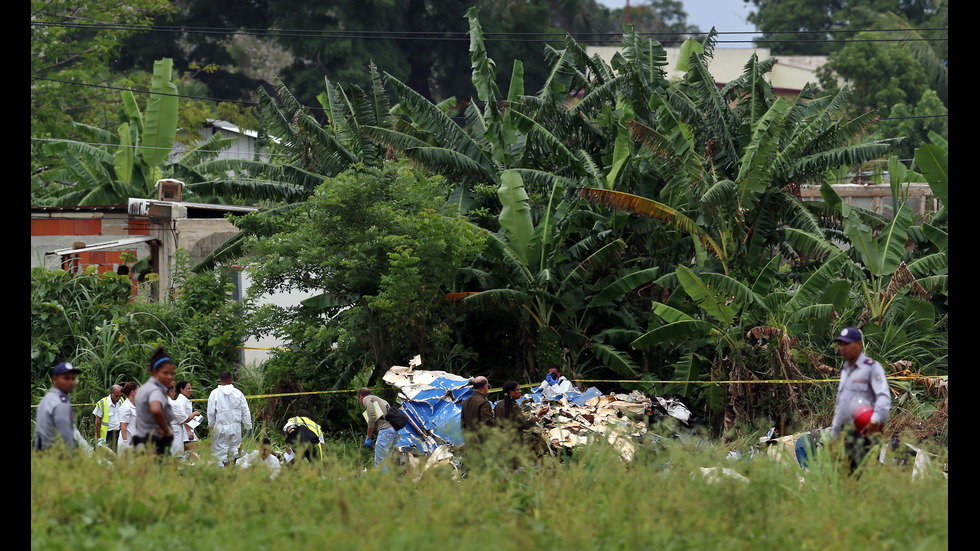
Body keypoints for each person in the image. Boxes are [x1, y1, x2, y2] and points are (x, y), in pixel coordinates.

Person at [830, 327, 892, 472]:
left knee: (863, 476)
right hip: (846, 435)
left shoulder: (872, 368)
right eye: (840, 344)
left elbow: (883, 397)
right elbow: (841, 406)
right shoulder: (845, 369)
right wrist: (834, 434)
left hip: (866, 432)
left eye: (846, 344)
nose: (842, 348)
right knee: (844, 478)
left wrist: (874, 421)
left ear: (858, 344)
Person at [131, 348, 176, 456]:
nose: (170, 377)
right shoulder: (156, 390)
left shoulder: (143, 389)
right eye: (165, 373)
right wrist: (166, 430)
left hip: (141, 442)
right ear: (155, 372)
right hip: (155, 446)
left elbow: (138, 422)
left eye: (172, 373)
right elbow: (155, 410)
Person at [207, 370, 252, 466]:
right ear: (230, 380)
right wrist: (248, 426)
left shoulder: (214, 393)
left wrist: (211, 426)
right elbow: (245, 411)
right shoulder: (238, 393)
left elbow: (210, 413)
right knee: (236, 451)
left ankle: (220, 476)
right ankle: (239, 472)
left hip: (221, 427)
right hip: (236, 428)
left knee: (219, 454)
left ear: (220, 380)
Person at [33, 361, 81, 452]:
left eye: (73, 378)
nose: (71, 382)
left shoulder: (47, 399)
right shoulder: (60, 403)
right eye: (66, 378)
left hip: (44, 455)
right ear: (55, 379)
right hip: (58, 456)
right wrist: (72, 458)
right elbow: (65, 435)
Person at [358, 388, 398, 471]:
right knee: (387, 460)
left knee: (381, 462)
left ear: (361, 397)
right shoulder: (379, 400)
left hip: (385, 431)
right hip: (393, 430)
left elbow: (372, 417)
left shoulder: (366, 399)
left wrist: (368, 437)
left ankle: (383, 483)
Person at [460, 376, 494, 449]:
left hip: (469, 440)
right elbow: (487, 422)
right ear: (485, 386)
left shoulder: (466, 402)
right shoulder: (483, 402)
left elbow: (463, 423)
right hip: (481, 441)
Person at [173, 381, 202, 459]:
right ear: (181, 389)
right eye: (188, 388)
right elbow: (183, 418)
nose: (190, 390)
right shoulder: (181, 401)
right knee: (195, 455)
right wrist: (189, 431)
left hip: (186, 432)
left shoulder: (184, 400)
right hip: (186, 434)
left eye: (190, 388)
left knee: (186, 456)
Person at [92, 384, 123, 452]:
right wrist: (98, 437)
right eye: (116, 396)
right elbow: (98, 422)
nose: (118, 398)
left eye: (120, 395)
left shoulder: (121, 401)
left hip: (118, 433)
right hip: (107, 434)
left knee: (117, 454)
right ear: (111, 393)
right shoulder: (102, 403)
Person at [117, 382, 139, 452]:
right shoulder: (126, 406)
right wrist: (125, 443)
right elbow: (123, 425)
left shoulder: (136, 404)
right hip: (127, 442)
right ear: (132, 392)